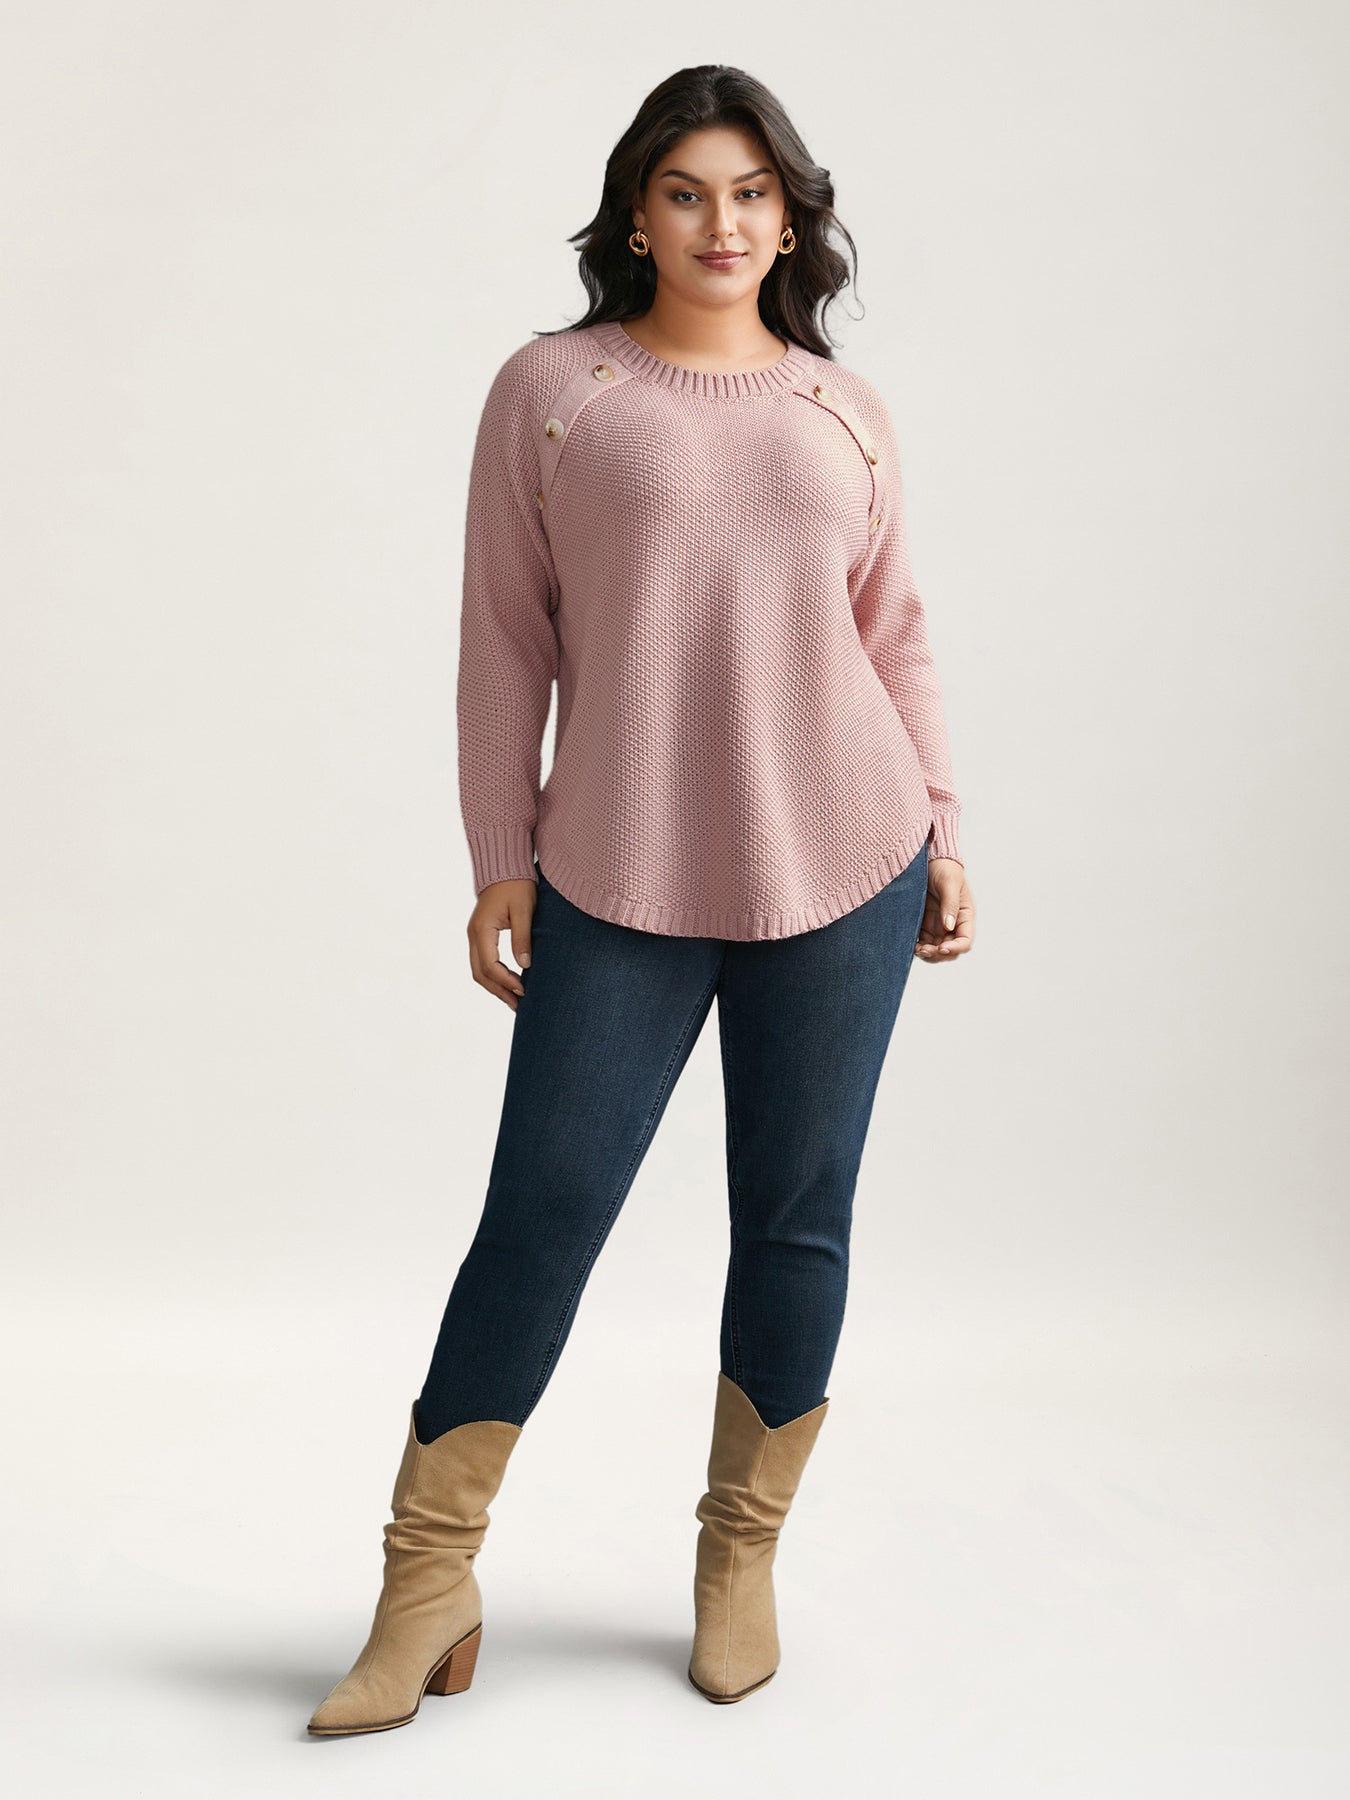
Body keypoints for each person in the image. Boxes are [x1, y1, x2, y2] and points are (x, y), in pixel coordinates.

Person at [308, 62, 976, 1738]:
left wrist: (946, 826)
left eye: (751, 194)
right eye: (686, 193)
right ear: (635, 214)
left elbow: (893, 631)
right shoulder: (555, 390)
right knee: (542, 1211)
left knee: (797, 1217)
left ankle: (737, 1559)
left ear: (789, 219)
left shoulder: (843, 406)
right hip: (617, 864)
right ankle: (425, 1583)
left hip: (847, 855)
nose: (721, 224)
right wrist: (497, 855)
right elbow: (503, 635)